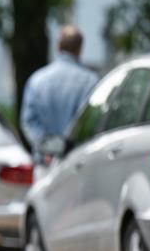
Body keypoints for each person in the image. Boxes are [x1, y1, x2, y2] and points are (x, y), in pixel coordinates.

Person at [20, 25, 98, 168]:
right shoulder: (90, 81)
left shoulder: (37, 80)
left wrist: (47, 149)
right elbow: (90, 124)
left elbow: (29, 122)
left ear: (58, 47)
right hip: (77, 165)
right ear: (80, 49)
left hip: (44, 163)